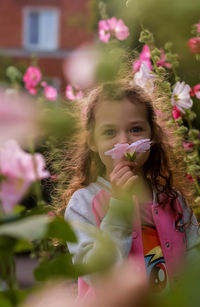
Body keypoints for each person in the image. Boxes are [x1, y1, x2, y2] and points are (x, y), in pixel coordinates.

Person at [62, 79, 200, 297]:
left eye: (136, 129)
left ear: (152, 135)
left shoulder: (172, 199)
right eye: (109, 132)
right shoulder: (83, 203)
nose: (124, 141)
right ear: (92, 141)